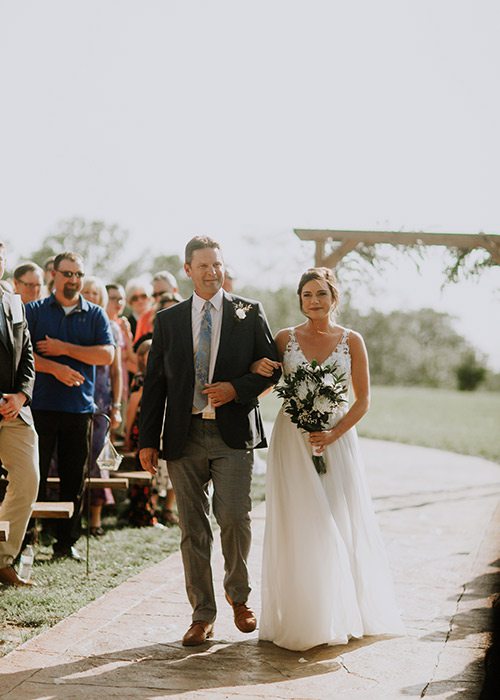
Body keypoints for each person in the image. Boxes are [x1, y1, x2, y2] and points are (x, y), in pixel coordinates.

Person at [252, 267, 403, 651]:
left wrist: (333, 434)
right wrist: (255, 372)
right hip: (292, 438)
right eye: (307, 295)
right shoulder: (284, 338)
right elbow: (267, 386)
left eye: (321, 293)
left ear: (334, 297)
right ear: (299, 299)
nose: (314, 301)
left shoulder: (352, 341)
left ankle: (342, 612)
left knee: (336, 519)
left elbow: (363, 400)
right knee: (300, 519)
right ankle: (303, 612)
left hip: (336, 439)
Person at [139, 236, 279, 646]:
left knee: (235, 516)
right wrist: (149, 440)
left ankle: (240, 598)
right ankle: (202, 614)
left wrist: (236, 389)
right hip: (184, 437)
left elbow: (272, 370)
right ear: (188, 270)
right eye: (203, 266)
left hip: (232, 435)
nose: (211, 272)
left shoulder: (248, 312)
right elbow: (154, 387)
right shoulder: (167, 321)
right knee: (193, 529)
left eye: (217, 264)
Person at [26, 252, 115, 560]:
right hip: (39, 407)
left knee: (73, 479)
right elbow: (21, 357)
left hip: (79, 409)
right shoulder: (34, 311)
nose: (74, 280)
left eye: (78, 274)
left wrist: (64, 350)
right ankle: (26, 542)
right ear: (54, 274)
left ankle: (66, 544)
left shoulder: (95, 314)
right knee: (32, 477)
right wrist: (55, 368)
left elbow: (106, 355)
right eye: (68, 274)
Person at [0, 242, 39, 586]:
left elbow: (26, 351)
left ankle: (2, 558)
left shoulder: (13, 298)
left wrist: (22, 394)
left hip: (15, 411)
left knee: (27, 480)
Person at [82, 277, 122, 536]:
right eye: (87, 292)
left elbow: (116, 371)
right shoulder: (73, 323)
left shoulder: (111, 327)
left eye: (95, 293)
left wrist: (116, 406)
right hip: (74, 399)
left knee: (99, 459)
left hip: (101, 402)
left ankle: (95, 519)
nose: (91, 296)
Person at [133, 270, 180, 343]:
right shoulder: (145, 318)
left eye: (162, 293)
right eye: (154, 295)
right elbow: (138, 352)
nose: (158, 298)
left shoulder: (190, 311)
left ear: (175, 290)